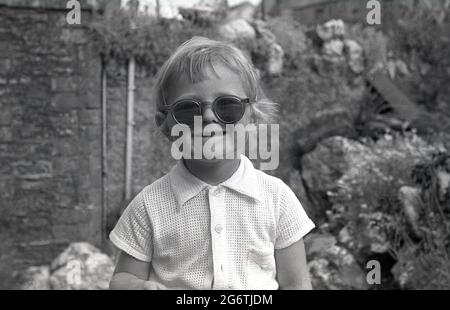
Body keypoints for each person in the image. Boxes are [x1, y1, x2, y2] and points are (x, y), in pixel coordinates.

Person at [109, 36, 315, 290]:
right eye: (188, 110)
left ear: (252, 117)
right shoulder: (149, 206)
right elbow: (122, 279)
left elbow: (297, 284)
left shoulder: (277, 199)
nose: (207, 117)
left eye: (227, 106)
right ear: (165, 124)